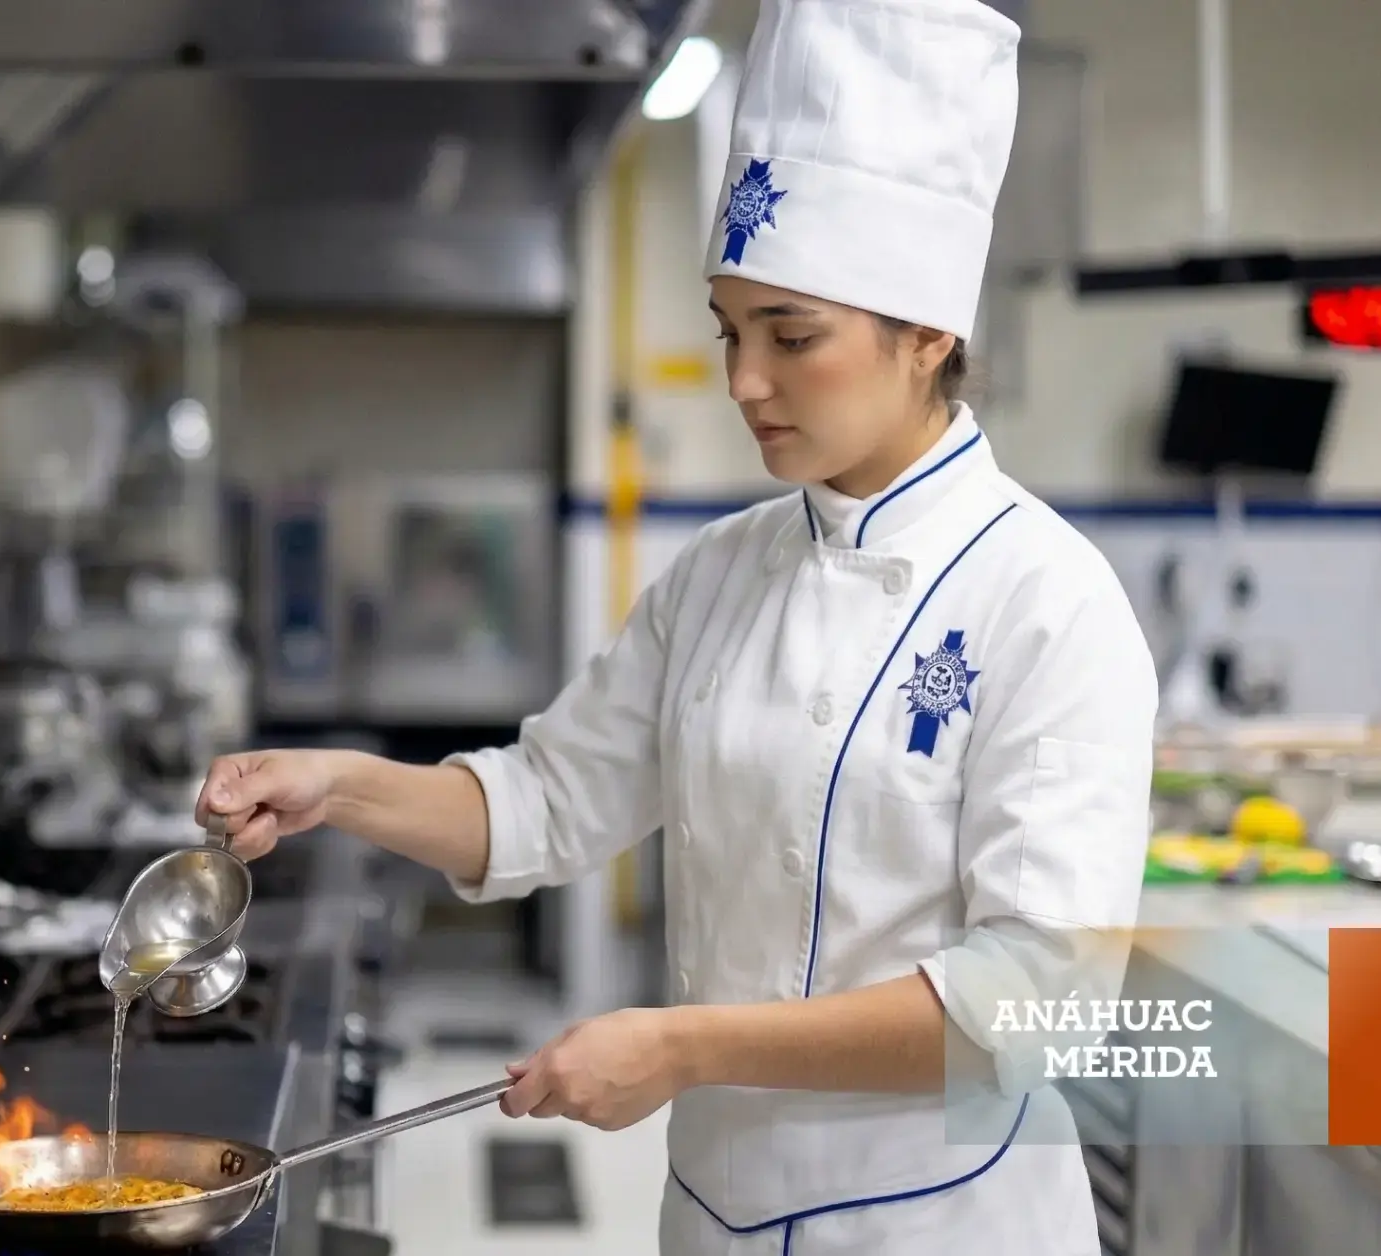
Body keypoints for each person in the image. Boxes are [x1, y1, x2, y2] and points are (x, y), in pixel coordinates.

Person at [196, 0, 1156, 1250]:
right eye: (730, 330)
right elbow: (547, 797)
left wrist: (681, 1044)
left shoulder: (1046, 600)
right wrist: (341, 783)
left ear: (928, 333)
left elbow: (1038, 1000)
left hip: (941, 1226)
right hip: (715, 1216)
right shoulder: (722, 573)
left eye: (791, 335)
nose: (744, 380)